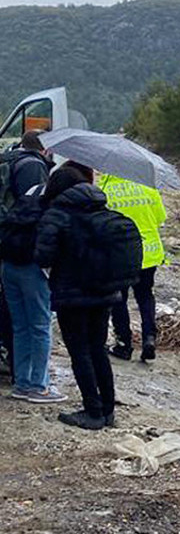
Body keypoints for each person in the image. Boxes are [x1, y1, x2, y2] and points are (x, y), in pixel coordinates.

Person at [35, 163, 140, 430]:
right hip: (104, 292)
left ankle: (92, 411)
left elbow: (43, 256)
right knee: (98, 349)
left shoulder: (57, 214)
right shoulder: (100, 208)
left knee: (79, 352)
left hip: (72, 293)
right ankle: (107, 410)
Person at [1, 131, 64, 403]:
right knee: (40, 326)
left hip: (9, 263)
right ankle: (39, 386)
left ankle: (22, 382)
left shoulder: (11, 164)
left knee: (20, 326)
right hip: (31, 267)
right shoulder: (36, 174)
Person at [101, 174, 167, 363]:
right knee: (145, 295)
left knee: (119, 298)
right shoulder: (147, 186)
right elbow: (160, 218)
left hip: (119, 253)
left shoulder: (106, 189)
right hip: (148, 251)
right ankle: (149, 337)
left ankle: (124, 344)